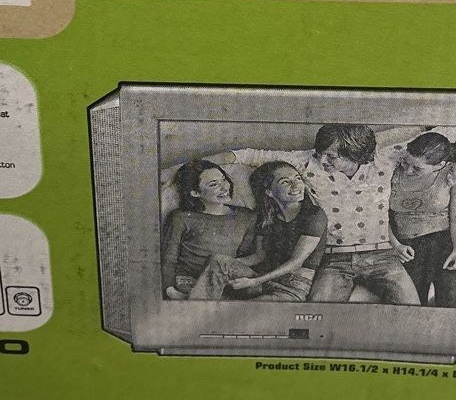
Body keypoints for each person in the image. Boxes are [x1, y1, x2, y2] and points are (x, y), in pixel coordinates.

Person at [222, 125, 419, 303]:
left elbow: (429, 141)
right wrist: (205, 164)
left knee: (413, 308)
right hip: (335, 259)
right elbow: (250, 155)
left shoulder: (384, 161)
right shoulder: (308, 163)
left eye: (331, 157)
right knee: (317, 310)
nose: (322, 160)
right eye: (320, 154)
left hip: (382, 256)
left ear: (354, 154)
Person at [188, 162, 327, 301]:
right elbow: (258, 256)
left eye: (298, 178)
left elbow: (296, 262)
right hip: (263, 280)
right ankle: (196, 307)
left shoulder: (314, 215)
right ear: (269, 192)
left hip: (291, 286)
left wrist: (255, 281)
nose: (296, 186)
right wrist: (219, 268)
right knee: (219, 260)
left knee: (240, 310)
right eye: (285, 182)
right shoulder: (267, 218)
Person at [391, 131, 456, 307]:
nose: (408, 170)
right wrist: (394, 244)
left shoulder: (454, 173)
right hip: (406, 247)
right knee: (410, 303)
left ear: (439, 165)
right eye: (406, 162)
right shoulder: (391, 167)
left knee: (451, 298)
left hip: (443, 243)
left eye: (417, 168)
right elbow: (377, 213)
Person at [160, 160, 253, 299]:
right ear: (195, 192)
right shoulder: (181, 217)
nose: (224, 187)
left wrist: (221, 270)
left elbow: (246, 256)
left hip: (227, 281)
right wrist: (171, 291)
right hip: (189, 282)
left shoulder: (246, 216)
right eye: (213, 184)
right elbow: (169, 259)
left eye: (223, 179)